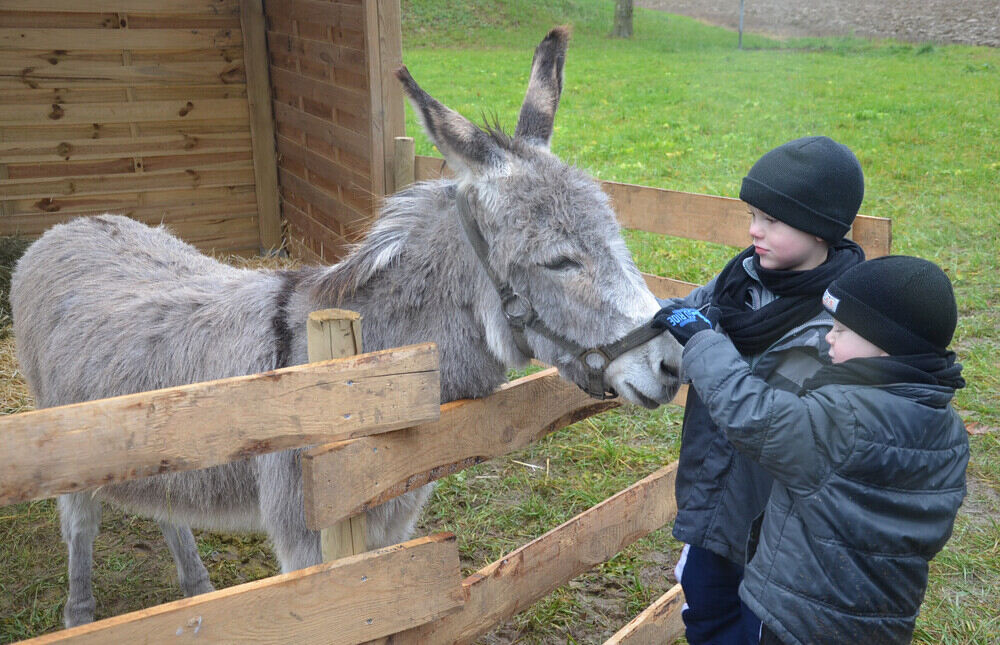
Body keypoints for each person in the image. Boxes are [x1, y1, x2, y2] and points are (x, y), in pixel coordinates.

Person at [653, 255, 969, 644]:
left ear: (886, 347)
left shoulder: (845, 420)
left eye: (840, 329)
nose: (827, 337)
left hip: (793, 618)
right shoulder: (947, 428)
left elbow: (752, 413)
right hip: (883, 619)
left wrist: (702, 340)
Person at [658, 135, 867, 644]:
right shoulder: (739, 279)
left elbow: (786, 427)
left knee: (756, 631)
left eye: (773, 220)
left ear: (821, 229)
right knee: (703, 614)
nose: (755, 230)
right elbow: (682, 318)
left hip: (781, 530)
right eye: (753, 214)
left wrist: (702, 341)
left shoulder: (846, 326)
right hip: (711, 502)